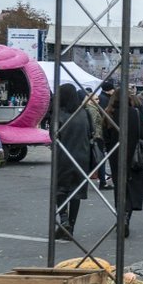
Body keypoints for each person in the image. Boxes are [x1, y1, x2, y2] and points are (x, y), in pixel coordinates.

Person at [104, 87, 143, 237]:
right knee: (132, 185)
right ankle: (127, 216)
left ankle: (121, 216)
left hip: (116, 155)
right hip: (133, 153)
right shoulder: (134, 113)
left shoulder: (109, 113)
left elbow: (105, 138)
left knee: (119, 187)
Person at [53, 84, 93, 239]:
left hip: (64, 156)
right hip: (83, 156)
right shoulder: (84, 113)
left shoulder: (59, 115)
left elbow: (54, 137)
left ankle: (63, 219)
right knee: (77, 192)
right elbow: (91, 134)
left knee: (61, 189)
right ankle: (71, 225)